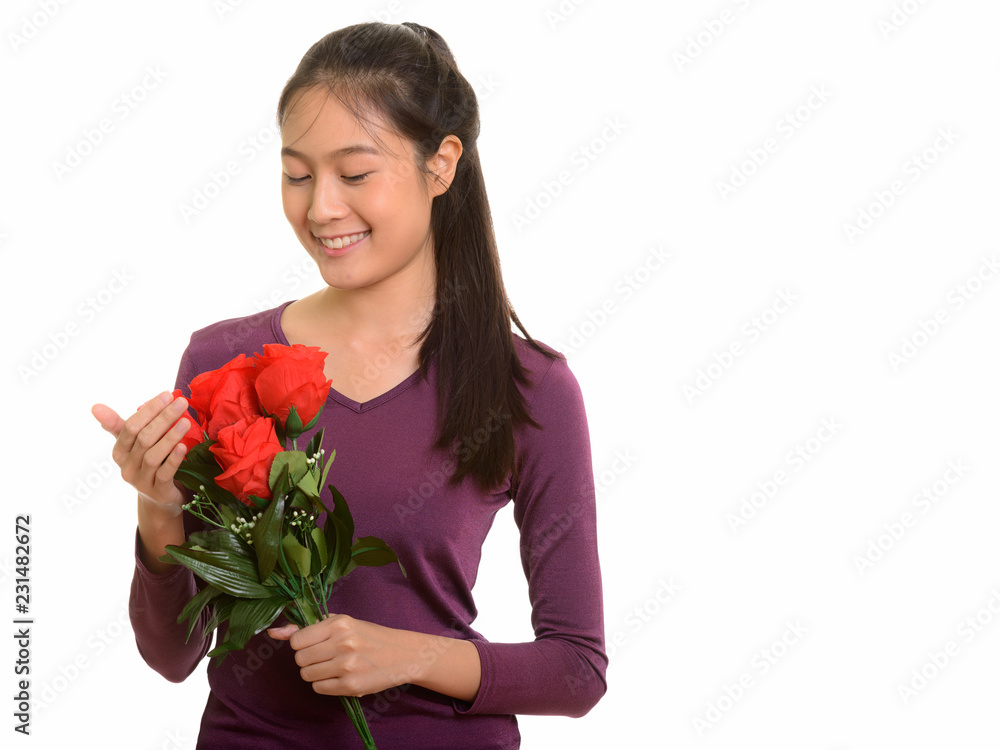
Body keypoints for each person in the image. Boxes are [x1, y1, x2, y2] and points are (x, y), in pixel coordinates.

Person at [91, 21, 606, 749]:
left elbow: (577, 670)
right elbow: (172, 656)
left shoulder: (530, 388)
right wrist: (157, 508)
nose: (320, 208)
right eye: (297, 174)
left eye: (355, 174)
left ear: (441, 165)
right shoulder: (223, 360)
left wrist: (413, 656)